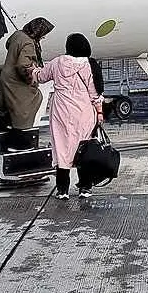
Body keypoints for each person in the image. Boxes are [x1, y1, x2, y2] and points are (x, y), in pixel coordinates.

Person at [36, 33, 103, 199]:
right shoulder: (89, 65)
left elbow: (41, 77)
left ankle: (62, 190)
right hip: (83, 111)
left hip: (61, 111)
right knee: (84, 149)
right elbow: (95, 94)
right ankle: (85, 188)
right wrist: (100, 112)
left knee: (61, 149)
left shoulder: (57, 62)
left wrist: (32, 69)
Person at [0, 17, 54, 151]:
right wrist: (32, 77)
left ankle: (11, 136)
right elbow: (23, 65)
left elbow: (8, 44)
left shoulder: (18, 34)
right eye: (43, 34)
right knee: (28, 107)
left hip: (6, 76)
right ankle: (19, 144)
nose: (43, 37)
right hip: (16, 81)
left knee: (14, 110)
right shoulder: (29, 43)